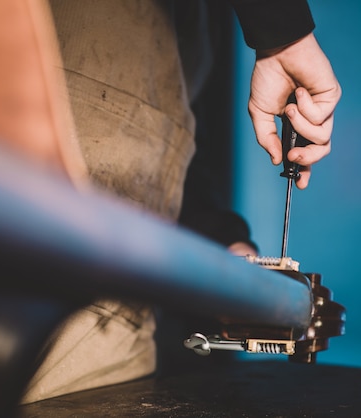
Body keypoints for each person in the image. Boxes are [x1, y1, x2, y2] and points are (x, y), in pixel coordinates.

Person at [21, 0, 340, 403]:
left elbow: (162, 156)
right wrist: (284, 34)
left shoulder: (195, 27)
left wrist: (225, 247)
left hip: (118, 335)